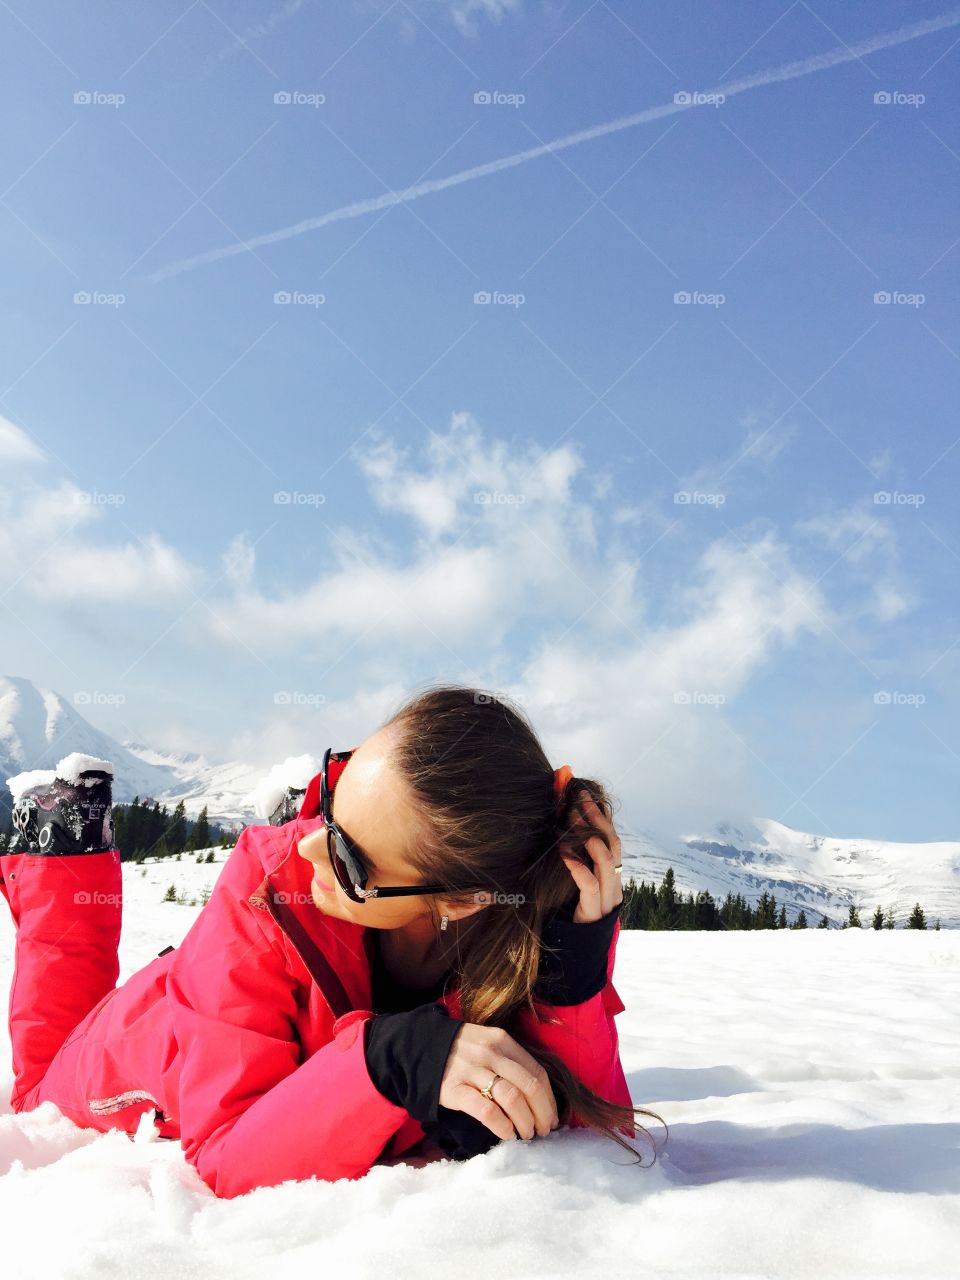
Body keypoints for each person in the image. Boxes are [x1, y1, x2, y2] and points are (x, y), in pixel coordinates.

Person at [0, 684, 664, 1198]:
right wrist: (388, 1061)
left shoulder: (521, 910)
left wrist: (571, 978)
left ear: (461, 901)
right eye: (335, 794)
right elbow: (224, 1157)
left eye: (348, 853)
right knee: (37, 1085)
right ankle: (62, 841)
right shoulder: (269, 883)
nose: (308, 845)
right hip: (144, 1043)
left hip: (242, 996)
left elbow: (589, 1133)